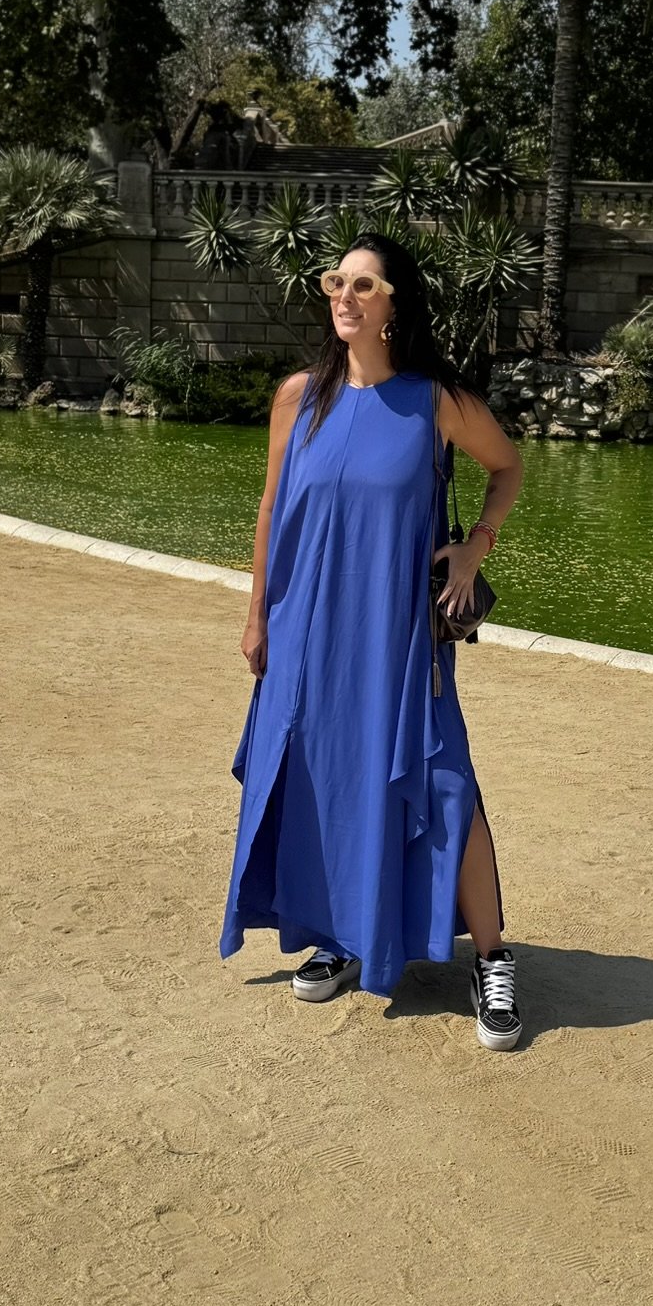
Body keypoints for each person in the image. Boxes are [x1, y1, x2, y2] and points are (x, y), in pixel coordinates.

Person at [218, 231, 527, 1049]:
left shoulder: (435, 402)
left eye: (363, 286)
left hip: (394, 636)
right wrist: (257, 618)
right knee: (323, 777)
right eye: (335, 283)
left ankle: (493, 958)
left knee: (442, 778)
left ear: (395, 304)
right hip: (307, 629)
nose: (344, 298)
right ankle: (341, 935)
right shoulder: (299, 397)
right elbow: (271, 513)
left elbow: (509, 468)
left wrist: (475, 546)